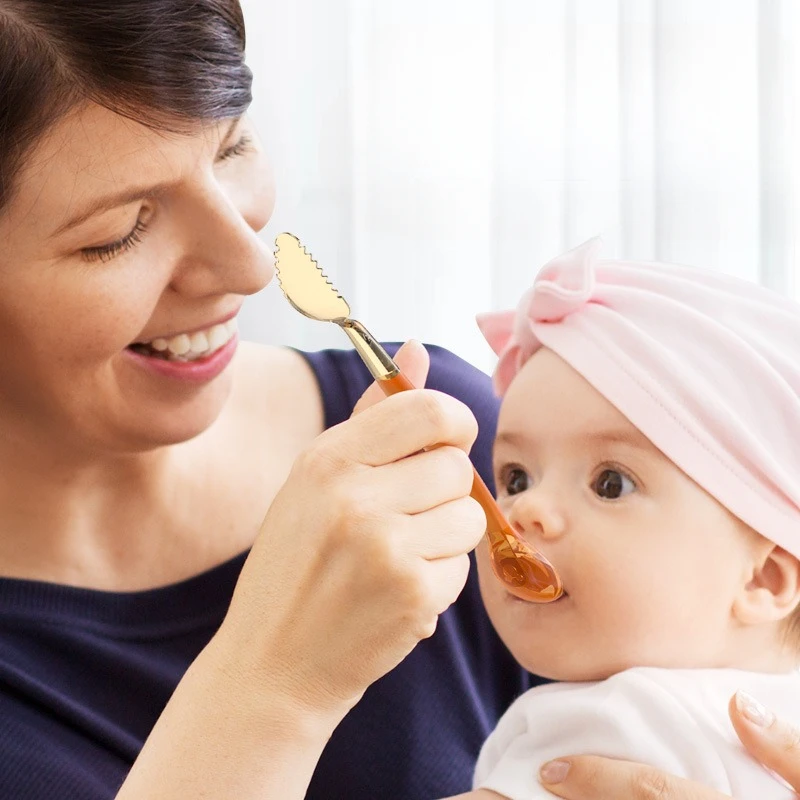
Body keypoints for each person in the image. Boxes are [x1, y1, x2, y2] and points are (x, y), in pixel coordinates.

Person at [0, 2, 798, 799]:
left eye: (233, 146)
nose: (249, 266)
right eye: (120, 230)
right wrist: (272, 685)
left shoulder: (456, 456)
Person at [438, 238, 800, 799]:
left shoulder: (616, 722)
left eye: (610, 484)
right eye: (515, 478)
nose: (524, 511)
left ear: (762, 578)